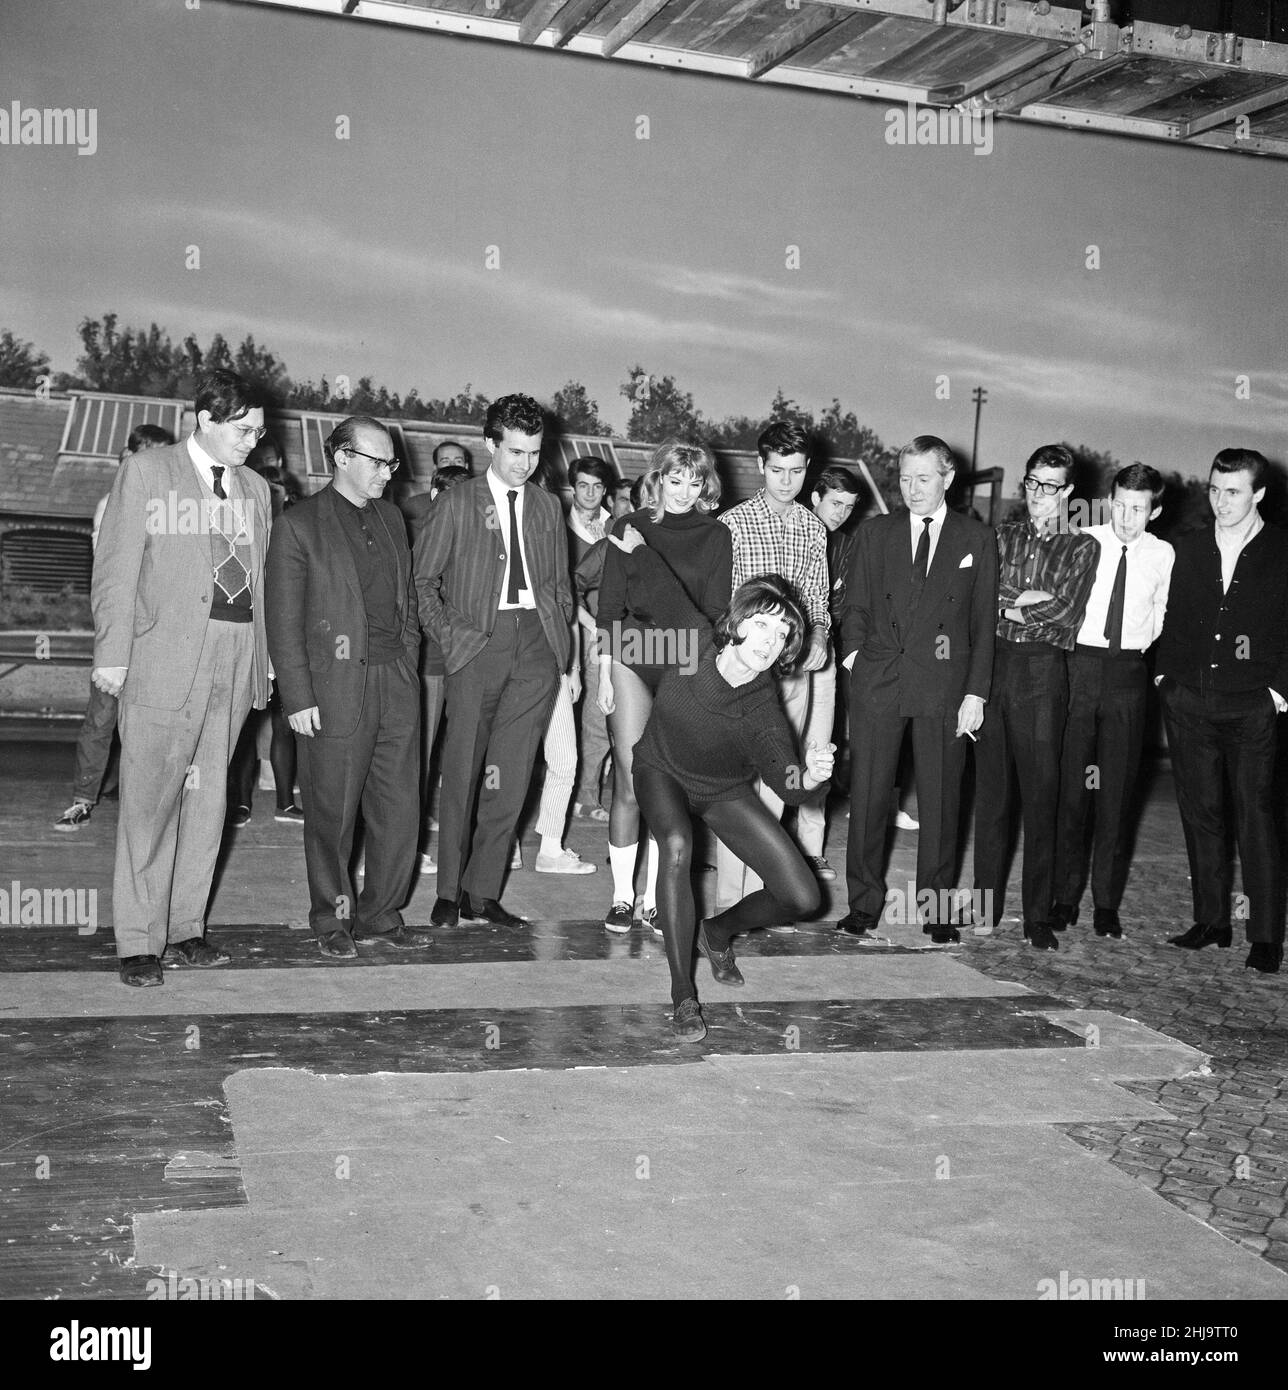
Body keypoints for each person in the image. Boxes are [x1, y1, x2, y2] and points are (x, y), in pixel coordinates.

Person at [611, 527, 833, 1041]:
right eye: (762, 625)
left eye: (781, 637)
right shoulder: (692, 639)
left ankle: (718, 930)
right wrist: (631, 543)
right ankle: (683, 993)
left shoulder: (762, 707)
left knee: (802, 895)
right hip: (660, 769)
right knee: (676, 844)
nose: (768, 641)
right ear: (737, 624)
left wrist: (814, 776)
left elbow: (788, 780)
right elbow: (662, 582)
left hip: (720, 790)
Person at [92, 369, 273, 986]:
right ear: (208, 420)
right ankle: (139, 939)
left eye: (259, 431)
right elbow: (115, 571)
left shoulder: (256, 489)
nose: (254, 441)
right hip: (163, 656)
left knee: (208, 799)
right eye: (244, 430)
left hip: (234, 652)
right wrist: (112, 656)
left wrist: (264, 656)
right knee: (149, 800)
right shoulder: (148, 472)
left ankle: (185, 928)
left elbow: (263, 582)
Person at [265, 416, 428, 959]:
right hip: (332, 689)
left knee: (400, 808)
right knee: (332, 813)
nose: (388, 473)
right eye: (378, 462)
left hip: (396, 683)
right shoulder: (299, 524)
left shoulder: (392, 518)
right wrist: (298, 696)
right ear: (340, 457)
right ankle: (331, 918)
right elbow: (283, 621)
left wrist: (406, 658)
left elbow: (405, 598)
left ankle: (380, 911)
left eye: (392, 463)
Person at [413, 393, 574, 929]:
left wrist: (561, 655)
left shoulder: (550, 506)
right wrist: (455, 637)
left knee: (511, 776)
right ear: (489, 445)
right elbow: (421, 583)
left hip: (536, 649)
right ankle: (448, 891)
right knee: (462, 770)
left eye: (533, 452)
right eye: (514, 452)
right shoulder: (458, 502)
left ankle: (482, 892)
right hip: (476, 645)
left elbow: (558, 587)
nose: (525, 464)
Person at [839, 437, 997, 944]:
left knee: (943, 800)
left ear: (947, 479)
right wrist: (855, 659)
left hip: (945, 687)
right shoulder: (874, 533)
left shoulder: (976, 538)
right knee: (867, 798)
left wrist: (976, 694)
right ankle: (863, 904)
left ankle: (938, 909)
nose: (912, 489)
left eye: (923, 479)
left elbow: (982, 624)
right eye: (905, 479)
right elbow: (854, 607)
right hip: (879, 681)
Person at [1157, 449, 1288, 974]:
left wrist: (1279, 690)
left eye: (1232, 491)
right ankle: (1212, 921)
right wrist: (1166, 676)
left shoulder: (1282, 549)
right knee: (1201, 814)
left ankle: (1265, 936)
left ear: (1258, 494)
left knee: (1255, 817)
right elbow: (1174, 615)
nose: (1220, 501)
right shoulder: (1188, 547)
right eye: (1214, 489)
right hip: (1189, 701)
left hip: (1253, 704)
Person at [596, 442, 732, 933]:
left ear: (705, 486)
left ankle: (655, 898)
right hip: (632, 655)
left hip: (683, 660)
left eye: (695, 483)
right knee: (632, 783)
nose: (684, 493)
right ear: (658, 479)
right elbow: (609, 606)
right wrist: (604, 673)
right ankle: (620, 897)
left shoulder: (717, 534)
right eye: (676, 481)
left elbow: (716, 612)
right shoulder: (626, 528)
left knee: (667, 784)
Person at [972, 444, 1097, 949]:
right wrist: (1027, 601)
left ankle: (1037, 917)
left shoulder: (1082, 545)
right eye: (1031, 482)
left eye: (1050, 486)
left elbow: (1067, 614)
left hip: (1044, 675)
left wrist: (1010, 605)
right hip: (994, 666)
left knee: (1041, 798)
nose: (1038, 494)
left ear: (1068, 492)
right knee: (992, 797)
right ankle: (984, 907)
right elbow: (984, 597)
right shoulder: (1000, 535)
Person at [1051, 464, 1174, 939]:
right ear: (1110, 500)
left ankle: (1106, 904)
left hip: (1128, 676)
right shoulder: (1084, 539)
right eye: (1119, 504)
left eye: (1138, 508)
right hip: (1080, 667)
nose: (1126, 517)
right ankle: (1064, 898)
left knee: (1117, 797)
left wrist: (1134, 653)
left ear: (1155, 510)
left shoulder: (1164, 555)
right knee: (1072, 794)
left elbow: (1162, 615)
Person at [717, 420, 830, 911]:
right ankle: (727, 900)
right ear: (760, 466)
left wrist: (820, 633)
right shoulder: (733, 523)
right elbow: (722, 604)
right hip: (745, 675)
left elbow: (819, 599)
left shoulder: (813, 526)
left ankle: (758, 899)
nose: (787, 481)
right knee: (736, 789)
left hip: (795, 670)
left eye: (797, 471)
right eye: (777, 470)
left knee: (780, 785)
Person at [55, 423, 175, 831]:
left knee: (153, 720)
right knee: (102, 715)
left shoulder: (171, 506)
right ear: (130, 458)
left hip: (160, 630)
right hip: (122, 628)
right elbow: (112, 576)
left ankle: (142, 802)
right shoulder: (112, 504)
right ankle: (82, 799)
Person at [404, 462, 471, 874]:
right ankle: (401, 849)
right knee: (417, 757)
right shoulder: (418, 536)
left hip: (461, 661)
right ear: (433, 496)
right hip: (428, 661)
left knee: (456, 756)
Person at [796, 466, 862, 879]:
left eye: (849, 507)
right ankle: (757, 844)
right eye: (835, 503)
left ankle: (811, 848)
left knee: (818, 749)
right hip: (778, 650)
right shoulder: (794, 530)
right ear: (815, 496)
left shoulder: (846, 545)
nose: (841, 513)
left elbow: (846, 605)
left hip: (823, 652)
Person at [566, 456, 617, 824]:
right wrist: (586, 624)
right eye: (583, 485)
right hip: (574, 625)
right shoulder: (558, 527)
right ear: (573, 487)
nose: (590, 493)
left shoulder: (617, 528)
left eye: (598, 487)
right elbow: (566, 587)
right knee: (586, 719)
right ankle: (581, 794)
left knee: (606, 716)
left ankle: (592, 793)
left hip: (610, 632)